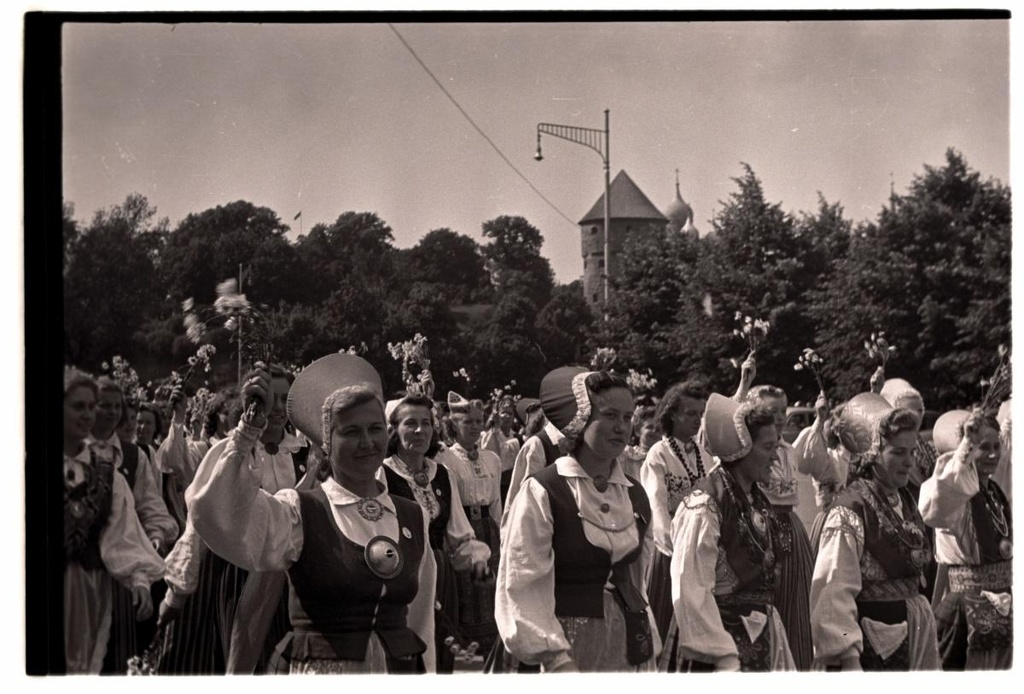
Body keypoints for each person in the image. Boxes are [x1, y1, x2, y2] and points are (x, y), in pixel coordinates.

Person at [187, 353, 436, 673]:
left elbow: (420, 621)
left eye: (375, 429)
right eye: (351, 431)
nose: (366, 442)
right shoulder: (299, 511)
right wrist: (247, 431)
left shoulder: (413, 517)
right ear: (326, 443)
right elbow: (220, 514)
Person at [496, 367, 659, 672]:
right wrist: (555, 658)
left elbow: (639, 581)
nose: (622, 427)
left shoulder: (635, 494)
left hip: (628, 641)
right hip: (567, 644)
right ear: (581, 419)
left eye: (627, 418)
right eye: (610, 415)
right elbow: (522, 578)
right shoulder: (545, 490)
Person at [158, 369, 305, 674]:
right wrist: (180, 587)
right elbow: (202, 521)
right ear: (254, 403)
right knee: (236, 657)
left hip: (288, 574)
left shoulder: (303, 454)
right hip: (234, 569)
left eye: (285, 399)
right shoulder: (234, 451)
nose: (277, 407)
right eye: (270, 399)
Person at [660, 392, 795, 672]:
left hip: (761, 633)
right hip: (717, 646)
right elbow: (692, 586)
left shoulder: (755, 497)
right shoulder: (704, 504)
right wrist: (720, 655)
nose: (775, 456)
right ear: (742, 448)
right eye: (768, 446)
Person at [809, 399, 940, 670]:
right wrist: (848, 657)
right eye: (898, 453)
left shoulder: (904, 500)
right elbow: (833, 590)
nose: (908, 462)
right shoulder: (851, 508)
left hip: (913, 636)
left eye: (911, 452)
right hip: (871, 644)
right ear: (872, 454)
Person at [382, 393, 492, 673]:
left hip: (440, 577)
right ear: (394, 430)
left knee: (441, 650)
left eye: (426, 423)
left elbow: (459, 532)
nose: (420, 430)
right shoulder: (383, 474)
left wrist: (477, 562)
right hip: (400, 576)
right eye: (410, 423)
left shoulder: (441, 473)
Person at [63, 368, 163, 673]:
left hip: (92, 585)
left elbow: (123, 531)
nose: (88, 414)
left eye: (91, 407)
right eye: (79, 406)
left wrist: (140, 580)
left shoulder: (109, 474)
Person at [88, 377, 178, 673]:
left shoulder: (132, 455)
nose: (112, 412)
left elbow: (150, 505)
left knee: (118, 656)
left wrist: (155, 536)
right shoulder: (75, 450)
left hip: (124, 569)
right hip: (82, 570)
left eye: (117, 407)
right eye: (104, 405)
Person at [920, 410, 1012, 670]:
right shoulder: (959, 493)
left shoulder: (993, 491)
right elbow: (933, 506)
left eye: (997, 446)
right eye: (984, 447)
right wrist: (964, 449)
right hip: (966, 607)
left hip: (1002, 602)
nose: (993, 454)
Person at [736, 380, 815, 670]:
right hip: (761, 526)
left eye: (783, 410)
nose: (781, 417)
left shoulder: (790, 449)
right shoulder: (748, 450)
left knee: (797, 601)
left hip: (790, 526)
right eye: (772, 410)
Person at [639, 380, 713, 644]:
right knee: (665, 617)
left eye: (700, 414)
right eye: (690, 414)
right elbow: (656, 504)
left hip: (701, 551)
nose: (697, 420)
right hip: (671, 552)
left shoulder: (704, 455)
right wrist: (673, 545)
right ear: (672, 414)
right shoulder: (659, 454)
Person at [435, 392, 502, 653]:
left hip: (488, 530)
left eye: (478, 421)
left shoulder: (491, 459)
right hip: (461, 528)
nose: (475, 427)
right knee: (468, 590)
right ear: (454, 424)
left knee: (489, 588)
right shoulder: (446, 457)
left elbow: (496, 501)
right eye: (468, 422)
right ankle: (467, 648)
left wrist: (499, 532)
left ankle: (492, 648)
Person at [481, 395, 522, 504]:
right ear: (497, 415)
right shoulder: (488, 435)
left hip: (512, 484)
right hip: (494, 485)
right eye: (504, 412)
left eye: (510, 413)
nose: (507, 416)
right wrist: (495, 431)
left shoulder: (517, 437)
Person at [621, 404, 658, 480]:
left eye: (658, 428)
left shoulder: (664, 456)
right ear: (638, 431)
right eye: (649, 427)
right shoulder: (628, 454)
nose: (655, 431)